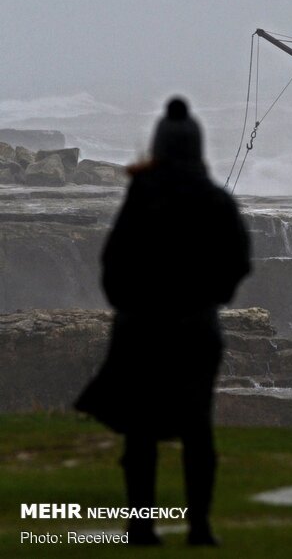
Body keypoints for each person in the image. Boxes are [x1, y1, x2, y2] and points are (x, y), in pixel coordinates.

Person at [76, 97, 251, 546]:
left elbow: (112, 260)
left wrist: (126, 305)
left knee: (140, 431)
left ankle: (140, 527)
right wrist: (216, 297)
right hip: (197, 328)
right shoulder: (214, 200)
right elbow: (237, 259)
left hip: (141, 329)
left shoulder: (142, 196)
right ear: (197, 147)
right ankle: (199, 528)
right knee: (197, 428)